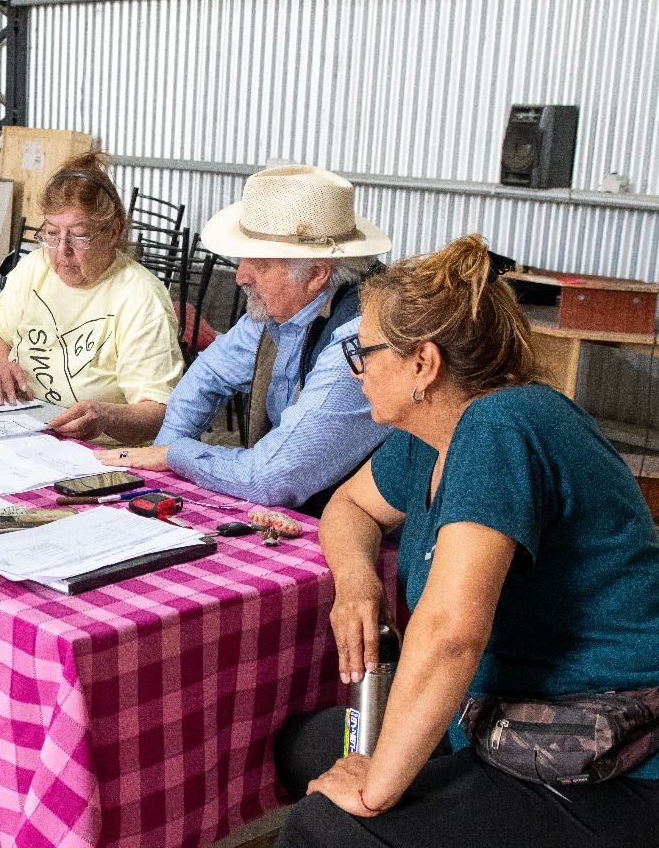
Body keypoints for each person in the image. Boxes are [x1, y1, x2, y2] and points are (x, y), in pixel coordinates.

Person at [273, 234, 659, 848]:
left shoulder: (500, 425)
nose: (356, 370)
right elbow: (350, 508)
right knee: (308, 747)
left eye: (362, 352)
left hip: (601, 750)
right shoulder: (431, 436)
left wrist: (375, 790)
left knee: (327, 829)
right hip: (494, 714)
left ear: (422, 364)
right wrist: (356, 582)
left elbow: (452, 633)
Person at [98, 166, 390, 515]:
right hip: (304, 509)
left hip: (360, 528)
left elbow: (271, 478)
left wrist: (175, 455)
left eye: (260, 264)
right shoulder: (283, 308)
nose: (240, 276)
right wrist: (162, 456)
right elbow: (209, 374)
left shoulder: (361, 337)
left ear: (316, 274)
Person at [0, 151, 185, 445]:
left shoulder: (141, 298)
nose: (62, 251)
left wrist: (106, 418)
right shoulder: (35, 268)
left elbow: (159, 413)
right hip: (24, 432)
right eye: (52, 234)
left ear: (113, 232)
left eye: (79, 236)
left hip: (96, 452)